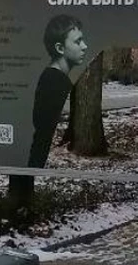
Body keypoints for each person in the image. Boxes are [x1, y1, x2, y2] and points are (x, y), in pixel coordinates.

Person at [10, 15, 88, 206]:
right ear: (60, 48)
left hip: (26, 159)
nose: (85, 46)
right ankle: (20, 210)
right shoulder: (55, 82)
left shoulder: (53, 78)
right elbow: (39, 129)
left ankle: (21, 209)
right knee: (23, 187)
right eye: (78, 41)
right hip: (28, 159)